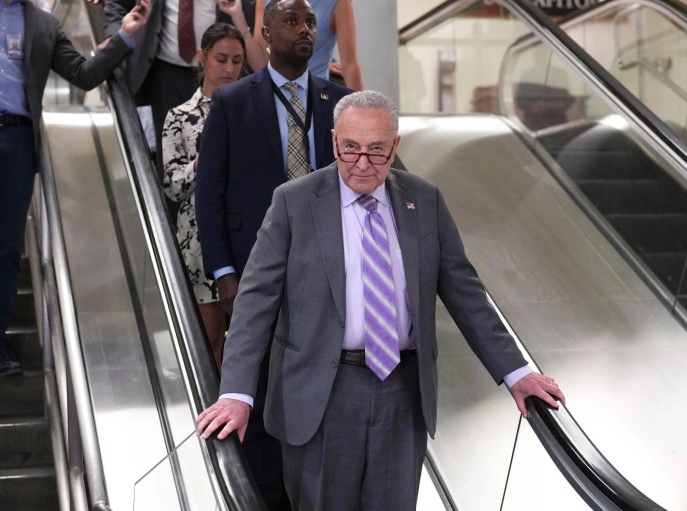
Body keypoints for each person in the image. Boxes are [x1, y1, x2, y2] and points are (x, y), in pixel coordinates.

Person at [195, 90, 565, 510]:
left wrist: (517, 372)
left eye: (377, 150)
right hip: (320, 394)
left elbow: (464, 290)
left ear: (396, 146)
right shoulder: (294, 201)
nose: (362, 163)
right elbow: (255, 301)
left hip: (402, 393)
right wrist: (236, 393)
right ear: (334, 142)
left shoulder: (424, 200)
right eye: (350, 149)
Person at [194, 0, 352, 507]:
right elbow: (208, 194)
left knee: (322, 388)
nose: (304, 30)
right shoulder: (235, 102)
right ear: (264, 34)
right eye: (291, 21)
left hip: (328, 273)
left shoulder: (340, 102)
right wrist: (223, 272)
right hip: (254, 272)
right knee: (257, 389)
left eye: (310, 22)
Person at [0, 0, 150, 376]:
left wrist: (125, 35)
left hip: (19, 143)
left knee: (6, 247)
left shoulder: (44, 24)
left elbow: (83, 74)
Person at [161, 23, 245, 367]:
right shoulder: (179, 117)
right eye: (221, 59)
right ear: (203, 58)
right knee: (209, 337)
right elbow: (171, 186)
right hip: (198, 239)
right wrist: (200, 162)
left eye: (237, 61)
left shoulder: (251, 110)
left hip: (246, 230)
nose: (228, 69)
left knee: (247, 339)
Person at [104, 0, 266, 165]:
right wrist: (114, 36)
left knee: (224, 153)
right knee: (172, 158)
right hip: (167, 73)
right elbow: (117, 3)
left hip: (222, 74)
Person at [256, 0, 363, 90]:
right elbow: (261, 52)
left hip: (317, 93)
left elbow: (349, 63)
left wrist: (362, 110)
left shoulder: (338, 3)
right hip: (273, 87)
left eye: (311, 23)